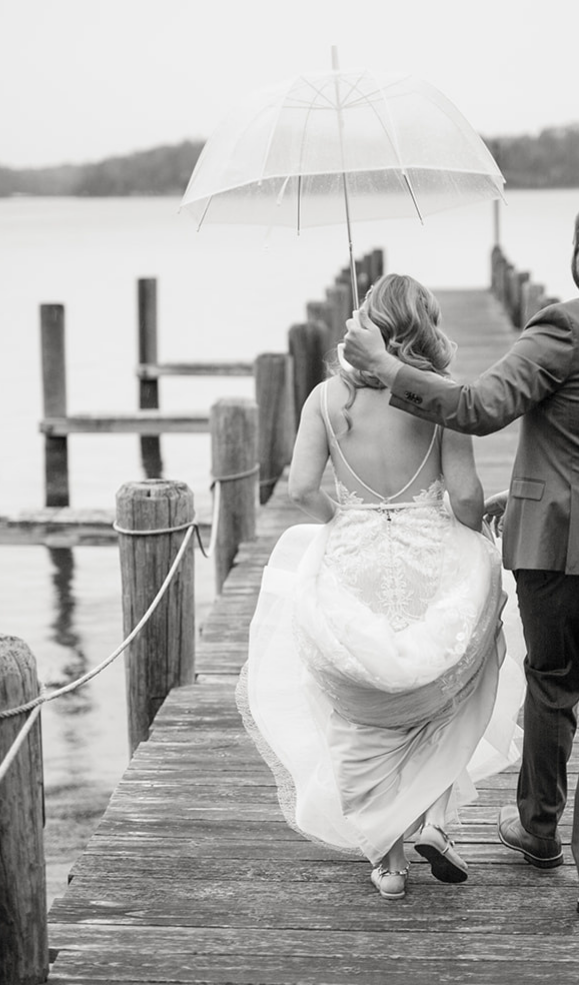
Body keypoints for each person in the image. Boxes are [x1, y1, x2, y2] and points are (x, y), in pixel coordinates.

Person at [342, 193, 579, 916]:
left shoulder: (563, 326)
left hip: (558, 551)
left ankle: (537, 832)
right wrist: (517, 496)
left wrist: (386, 366)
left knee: (552, 686)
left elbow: (477, 408)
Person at [239, 273, 523, 900]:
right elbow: (468, 495)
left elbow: (300, 490)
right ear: (424, 326)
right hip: (429, 548)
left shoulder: (324, 398)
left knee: (360, 700)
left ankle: (389, 862)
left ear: (366, 324)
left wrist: (342, 518)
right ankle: (436, 821)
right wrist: (467, 539)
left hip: (355, 549)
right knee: (448, 682)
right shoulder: (439, 397)